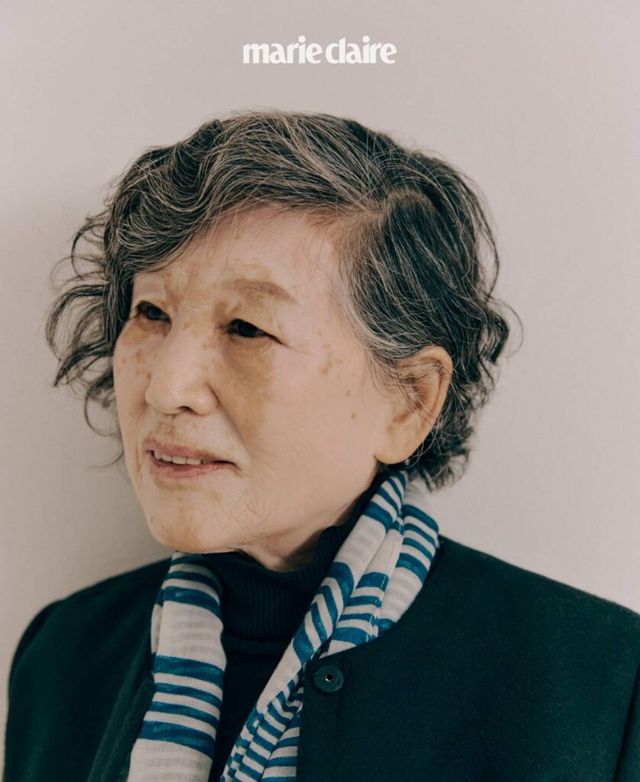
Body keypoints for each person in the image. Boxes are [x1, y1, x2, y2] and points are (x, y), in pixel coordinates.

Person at [3, 110, 639, 782]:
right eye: (152, 312)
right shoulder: (64, 657)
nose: (166, 387)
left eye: (248, 327)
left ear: (410, 400)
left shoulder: (599, 687)